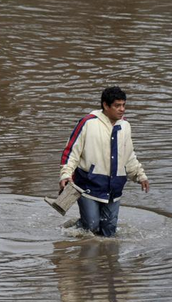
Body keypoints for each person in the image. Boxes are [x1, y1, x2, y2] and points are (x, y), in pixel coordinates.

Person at [59, 86, 149, 237]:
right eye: (117, 106)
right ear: (105, 106)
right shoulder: (87, 123)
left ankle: (105, 258)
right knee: (92, 226)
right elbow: (71, 152)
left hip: (114, 187)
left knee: (109, 232)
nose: (122, 109)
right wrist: (65, 175)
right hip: (87, 184)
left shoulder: (125, 126)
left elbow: (129, 154)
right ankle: (73, 228)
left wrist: (140, 176)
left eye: (124, 105)